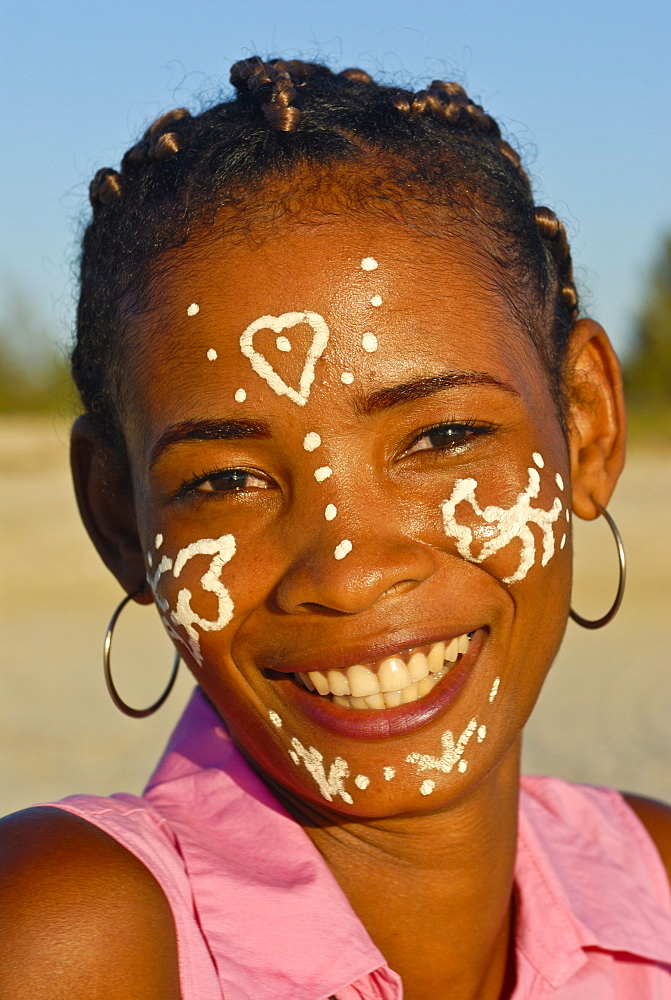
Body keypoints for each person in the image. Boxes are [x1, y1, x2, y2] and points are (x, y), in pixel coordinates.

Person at [1, 56, 670, 999]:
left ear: (587, 424)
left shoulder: (653, 893)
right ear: (119, 521)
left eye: (442, 435)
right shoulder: (61, 941)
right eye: (227, 478)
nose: (347, 573)